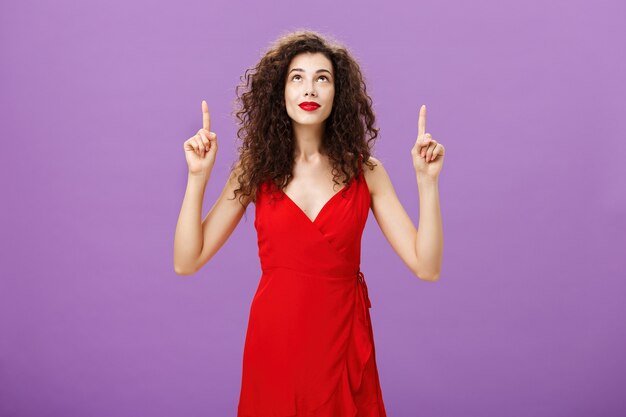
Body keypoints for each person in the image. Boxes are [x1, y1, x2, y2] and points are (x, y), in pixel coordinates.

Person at [174, 29, 444, 417]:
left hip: (342, 345)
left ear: (339, 94)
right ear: (279, 92)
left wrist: (427, 183)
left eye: (323, 78)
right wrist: (197, 178)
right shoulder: (255, 170)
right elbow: (187, 261)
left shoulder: (367, 172)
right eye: (297, 77)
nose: (310, 89)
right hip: (276, 344)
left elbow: (427, 266)